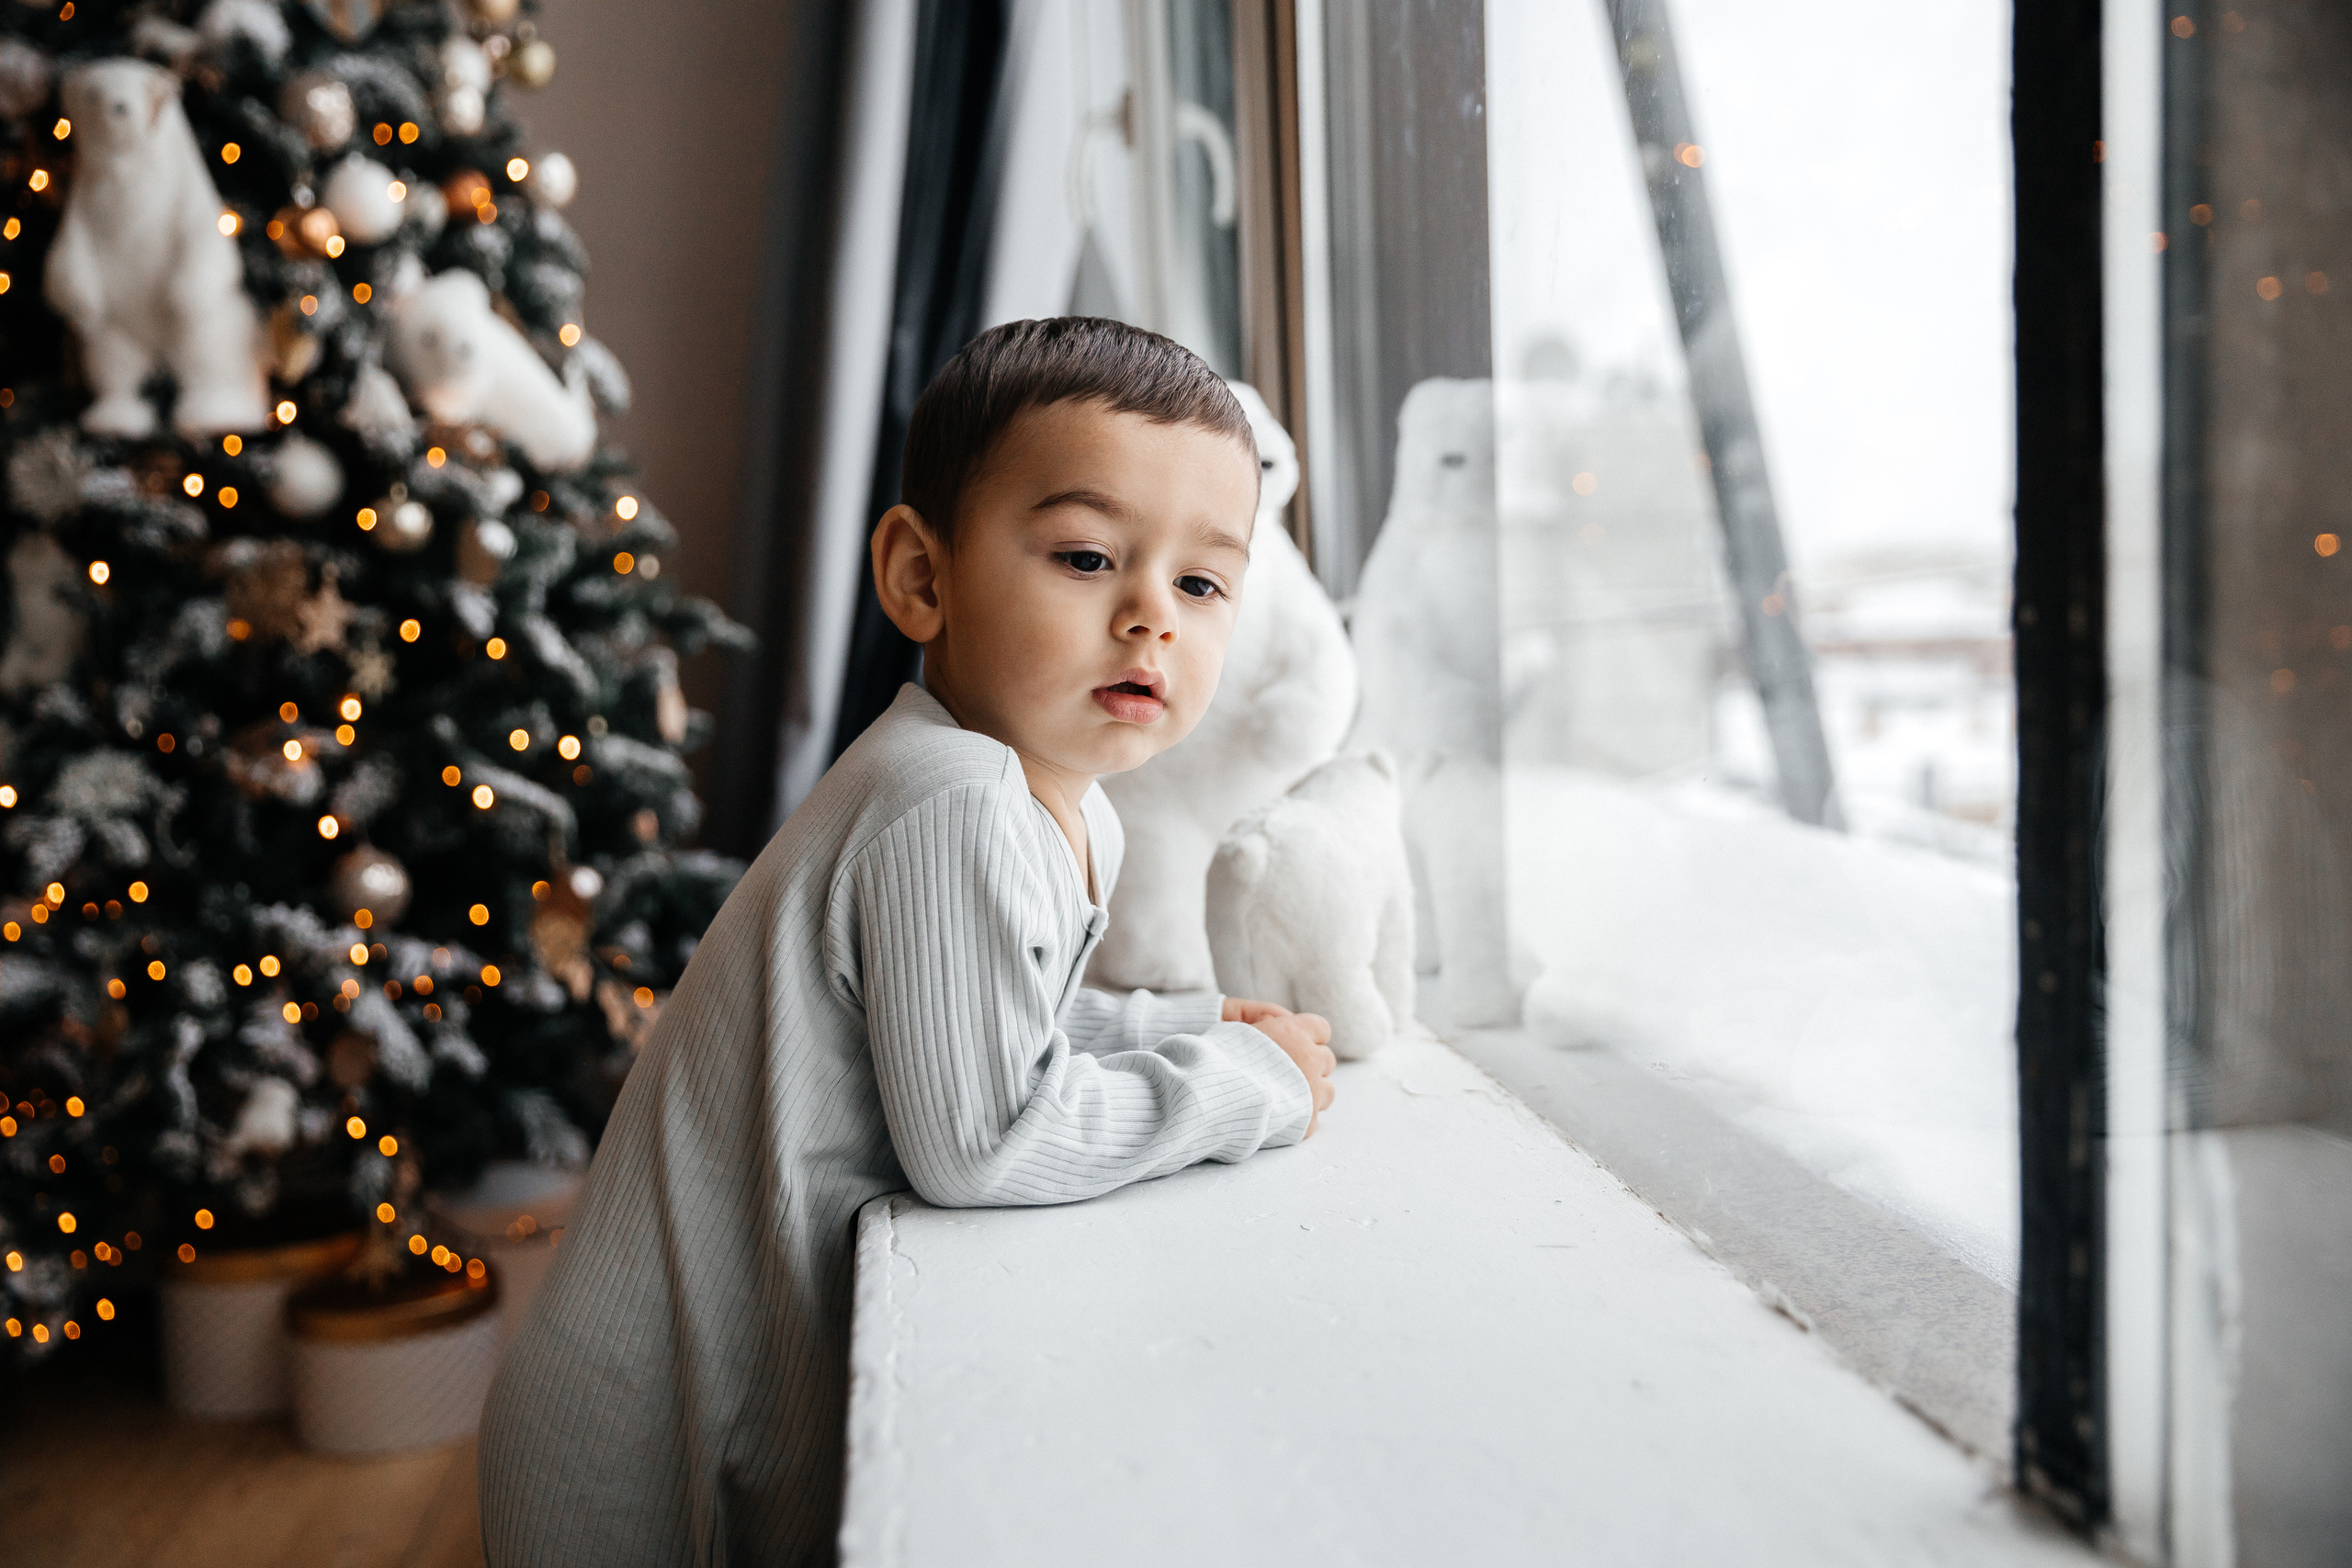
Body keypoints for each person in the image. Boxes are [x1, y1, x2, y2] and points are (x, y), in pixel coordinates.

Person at [478, 317, 1340, 1567]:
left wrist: (1177, 1022)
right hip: (638, 1436)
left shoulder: (1043, 796)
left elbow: (993, 1021)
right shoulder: (954, 803)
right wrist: (1241, 1088)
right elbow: (984, 1140)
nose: (1154, 616)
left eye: (1202, 583)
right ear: (921, 579)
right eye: (1091, 557)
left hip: (695, 1382)